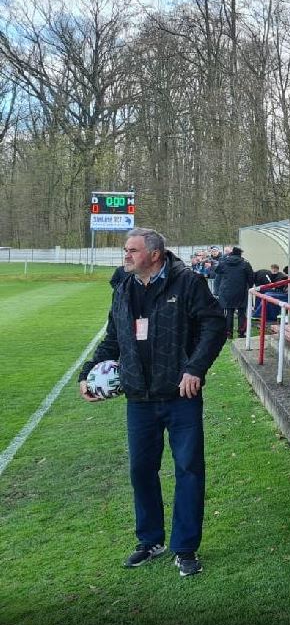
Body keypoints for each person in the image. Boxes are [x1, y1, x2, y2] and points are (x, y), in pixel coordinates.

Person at [78, 228, 228, 577]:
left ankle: (185, 548)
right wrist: (87, 374)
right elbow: (113, 338)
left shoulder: (188, 282)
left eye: (132, 250)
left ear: (155, 254)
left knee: (189, 469)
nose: (126, 256)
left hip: (180, 396)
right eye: (126, 250)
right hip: (139, 398)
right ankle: (150, 541)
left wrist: (195, 368)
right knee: (141, 470)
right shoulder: (123, 287)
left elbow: (215, 326)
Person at [213, 246, 254, 339]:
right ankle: (241, 332)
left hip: (226, 291)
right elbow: (251, 277)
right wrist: (249, 287)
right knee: (241, 312)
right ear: (240, 254)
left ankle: (229, 333)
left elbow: (217, 271)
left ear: (231, 253)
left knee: (229, 312)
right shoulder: (245, 264)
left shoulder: (224, 262)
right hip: (241, 291)